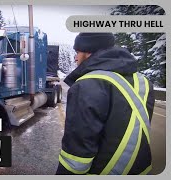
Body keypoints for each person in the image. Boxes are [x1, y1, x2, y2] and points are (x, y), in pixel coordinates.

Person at [56, 33, 155, 175]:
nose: (76, 58)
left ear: (88, 51)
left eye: (77, 52)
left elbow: (77, 155)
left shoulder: (87, 84)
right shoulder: (144, 82)